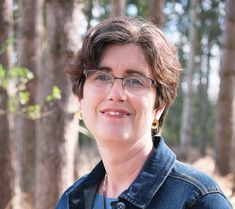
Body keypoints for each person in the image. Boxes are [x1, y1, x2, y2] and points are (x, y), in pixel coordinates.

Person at [55, 16, 232, 209]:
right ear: (80, 98)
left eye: (135, 80)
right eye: (102, 77)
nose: (116, 94)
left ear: (160, 106)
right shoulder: (71, 200)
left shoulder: (199, 201)